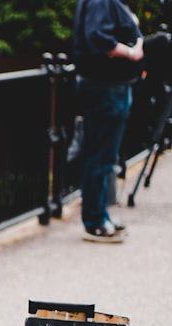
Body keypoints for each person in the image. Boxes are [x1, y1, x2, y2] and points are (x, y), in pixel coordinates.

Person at [72, 0, 144, 242]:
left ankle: (99, 215)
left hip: (109, 87)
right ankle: (95, 221)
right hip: (106, 88)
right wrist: (132, 52)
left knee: (102, 156)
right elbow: (99, 38)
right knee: (100, 156)